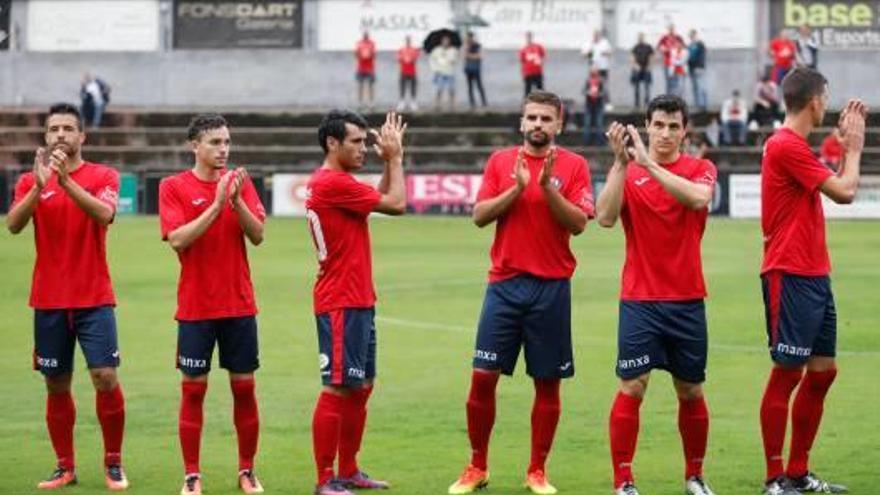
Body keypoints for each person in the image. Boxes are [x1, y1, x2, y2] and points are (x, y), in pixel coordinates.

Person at [448, 90, 595, 495]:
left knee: (547, 383)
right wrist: (516, 189)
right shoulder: (500, 162)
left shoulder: (575, 166)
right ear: (521, 122)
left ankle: (537, 471)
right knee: (482, 376)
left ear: (559, 125)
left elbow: (580, 223)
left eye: (546, 119)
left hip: (551, 288)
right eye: (531, 118)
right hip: (505, 285)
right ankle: (476, 466)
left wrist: (547, 187)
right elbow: (479, 217)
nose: (538, 125)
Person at [596, 95, 718, 495]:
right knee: (632, 386)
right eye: (659, 125)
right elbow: (605, 218)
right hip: (640, 300)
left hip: (686, 300)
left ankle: (695, 477)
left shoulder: (701, 168)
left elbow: (699, 199)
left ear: (685, 131)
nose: (665, 134)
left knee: (691, 390)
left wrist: (648, 164)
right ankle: (623, 481)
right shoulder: (628, 173)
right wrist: (620, 164)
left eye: (673, 126)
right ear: (647, 126)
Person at [6, 102, 128, 491]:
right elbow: (13, 225)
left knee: (104, 377)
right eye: (54, 129)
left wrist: (65, 182)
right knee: (55, 382)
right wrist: (41, 186)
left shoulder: (104, 175)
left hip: (94, 296)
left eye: (67, 129)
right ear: (46, 136)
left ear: (81, 137)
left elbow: (105, 214)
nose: (60, 135)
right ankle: (65, 467)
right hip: (49, 299)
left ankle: (113, 462)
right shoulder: (30, 181)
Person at [757, 67, 866, 495]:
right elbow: (845, 191)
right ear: (816, 100)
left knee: (822, 372)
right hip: (790, 271)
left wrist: (843, 150)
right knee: (787, 372)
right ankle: (773, 478)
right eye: (827, 97)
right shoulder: (784, 145)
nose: (829, 105)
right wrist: (854, 147)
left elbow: (834, 184)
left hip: (814, 273)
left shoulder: (793, 147)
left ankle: (799, 472)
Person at [159, 114, 267, 495]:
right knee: (193, 391)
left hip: (238, 305)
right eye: (214, 143)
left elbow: (257, 235)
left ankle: (247, 470)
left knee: (244, 389)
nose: (223, 150)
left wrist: (235, 202)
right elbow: (177, 239)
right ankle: (191, 474)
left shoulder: (241, 183)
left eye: (226, 142)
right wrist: (217, 203)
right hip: (195, 308)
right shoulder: (173, 187)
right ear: (195, 146)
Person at [305, 110, 407, 495]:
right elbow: (396, 204)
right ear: (332, 143)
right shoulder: (331, 183)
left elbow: (380, 199)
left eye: (366, 142)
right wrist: (395, 158)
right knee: (336, 388)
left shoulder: (339, 183)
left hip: (358, 297)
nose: (364, 148)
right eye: (356, 142)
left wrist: (386, 163)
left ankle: (348, 470)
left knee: (360, 385)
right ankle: (323, 479)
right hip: (340, 300)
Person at [430, 35, 459, 111]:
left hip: (450, 73)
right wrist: (435, 69)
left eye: (447, 41)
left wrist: (449, 59)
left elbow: (455, 60)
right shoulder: (437, 50)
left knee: (451, 89)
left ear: (449, 42)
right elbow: (432, 60)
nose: (445, 42)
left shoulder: (453, 50)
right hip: (440, 73)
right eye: (444, 41)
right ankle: (437, 104)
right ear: (442, 42)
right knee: (439, 89)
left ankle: (452, 105)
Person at [657, 24, 685, 94]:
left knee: (676, 82)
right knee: (669, 82)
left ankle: (676, 100)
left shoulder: (678, 37)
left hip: (676, 64)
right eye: (670, 29)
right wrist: (664, 49)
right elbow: (659, 47)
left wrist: (677, 48)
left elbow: (684, 47)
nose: (671, 30)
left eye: (672, 28)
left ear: (674, 29)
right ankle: (669, 100)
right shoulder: (664, 38)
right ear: (668, 29)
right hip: (667, 63)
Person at [463, 31, 488, 110]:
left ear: (472, 37)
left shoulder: (478, 45)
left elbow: (481, 56)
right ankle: (472, 103)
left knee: (479, 86)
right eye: (468, 37)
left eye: (470, 37)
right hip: (468, 69)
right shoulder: (466, 46)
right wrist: (467, 50)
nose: (469, 39)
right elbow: (464, 55)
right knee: (470, 87)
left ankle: (484, 102)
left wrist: (470, 55)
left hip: (476, 69)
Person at [584, 67, 607, 146]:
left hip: (598, 105)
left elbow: (604, 92)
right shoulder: (588, 81)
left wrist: (597, 94)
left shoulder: (600, 81)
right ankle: (586, 142)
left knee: (599, 124)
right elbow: (584, 91)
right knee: (587, 124)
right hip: (589, 105)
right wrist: (589, 93)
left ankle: (599, 142)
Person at [396, 35, 420, 111]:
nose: (408, 41)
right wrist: (406, 58)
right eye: (407, 40)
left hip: (412, 72)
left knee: (413, 87)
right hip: (403, 71)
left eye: (409, 40)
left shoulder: (414, 50)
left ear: (410, 41)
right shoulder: (401, 50)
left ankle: (413, 102)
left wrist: (407, 58)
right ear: (405, 41)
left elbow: (414, 58)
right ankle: (402, 102)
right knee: (402, 87)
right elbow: (399, 58)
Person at [630, 33, 654, 108]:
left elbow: (651, 57)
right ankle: (637, 103)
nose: (640, 38)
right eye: (639, 37)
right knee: (636, 86)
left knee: (647, 86)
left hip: (646, 68)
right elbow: (632, 57)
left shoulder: (648, 47)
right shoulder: (635, 47)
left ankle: (646, 103)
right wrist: (635, 66)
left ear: (644, 38)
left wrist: (649, 66)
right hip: (638, 69)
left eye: (642, 37)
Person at [520, 31, 546, 97]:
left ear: (532, 37)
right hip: (528, 72)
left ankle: (542, 103)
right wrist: (523, 73)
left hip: (537, 71)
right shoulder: (524, 49)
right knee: (527, 90)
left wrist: (540, 62)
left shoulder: (538, 47)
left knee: (540, 89)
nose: (529, 38)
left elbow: (543, 56)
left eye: (530, 37)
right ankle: (526, 104)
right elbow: (522, 61)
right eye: (527, 37)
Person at [355, 32, 377, 109]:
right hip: (361, 67)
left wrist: (368, 54)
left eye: (366, 35)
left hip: (370, 68)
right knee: (360, 85)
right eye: (364, 35)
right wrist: (362, 54)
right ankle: (360, 102)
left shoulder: (372, 43)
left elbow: (374, 54)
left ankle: (371, 102)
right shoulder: (359, 43)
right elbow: (356, 54)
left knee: (370, 85)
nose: (365, 36)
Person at [687, 30, 708, 111]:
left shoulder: (700, 44)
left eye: (693, 35)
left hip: (699, 68)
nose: (691, 36)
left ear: (695, 35)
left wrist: (700, 66)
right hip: (691, 69)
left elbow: (702, 55)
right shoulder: (689, 46)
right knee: (695, 87)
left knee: (701, 87)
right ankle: (697, 104)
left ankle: (703, 105)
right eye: (690, 35)